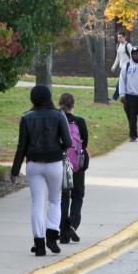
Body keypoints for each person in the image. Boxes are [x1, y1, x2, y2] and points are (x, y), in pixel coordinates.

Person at [10, 85, 71, 257]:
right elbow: (67, 141)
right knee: (55, 200)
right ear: (49, 97)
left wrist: (15, 170)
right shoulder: (58, 115)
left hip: (34, 163)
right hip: (54, 163)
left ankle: (39, 243)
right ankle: (52, 235)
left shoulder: (27, 118)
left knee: (37, 202)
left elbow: (21, 146)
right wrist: (56, 149)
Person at [58, 93, 88, 244]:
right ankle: (72, 224)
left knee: (63, 197)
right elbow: (85, 143)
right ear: (73, 105)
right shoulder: (79, 122)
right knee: (77, 195)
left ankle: (63, 232)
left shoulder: (57, 119)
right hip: (77, 165)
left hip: (61, 164)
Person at [109, 31, 134, 101]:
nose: (119, 39)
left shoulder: (128, 46)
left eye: (120, 37)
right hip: (122, 68)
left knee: (120, 83)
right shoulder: (118, 46)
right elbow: (118, 58)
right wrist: (114, 67)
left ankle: (114, 98)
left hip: (128, 68)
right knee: (126, 84)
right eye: (118, 37)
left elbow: (133, 57)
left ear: (124, 37)